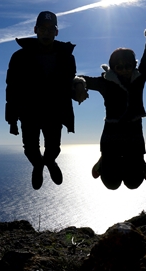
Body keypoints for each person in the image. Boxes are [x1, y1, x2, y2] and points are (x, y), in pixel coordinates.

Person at [5, 11, 86, 190]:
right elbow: (12, 88)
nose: (47, 32)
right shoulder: (19, 56)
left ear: (56, 32)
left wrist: (79, 86)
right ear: (36, 30)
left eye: (51, 29)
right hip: (28, 112)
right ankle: (38, 165)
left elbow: (69, 82)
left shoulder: (67, 56)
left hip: (54, 112)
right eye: (43, 28)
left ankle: (49, 162)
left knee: (54, 148)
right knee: (30, 149)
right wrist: (11, 119)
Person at [77, 16, 146, 190]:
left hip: (134, 132)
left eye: (128, 66)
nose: (124, 70)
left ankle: (139, 162)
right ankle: (105, 158)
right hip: (112, 134)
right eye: (119, 67)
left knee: (133, 183)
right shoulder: (105, 82)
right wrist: (77, 85)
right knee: (112, 184)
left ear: (133, 65)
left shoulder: (139, 78)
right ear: (113, 68)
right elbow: (84, 79)